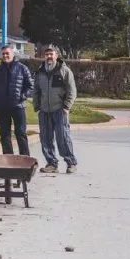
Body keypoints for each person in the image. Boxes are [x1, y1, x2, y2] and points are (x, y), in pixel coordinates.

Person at [33, 45, 78, 174]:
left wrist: (66, 107)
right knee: (45, 138)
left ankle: (71, 163)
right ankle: (51, 164)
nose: (49, 57)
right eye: (46, 54)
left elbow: (72, 91)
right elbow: (36, 90)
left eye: (51, 54)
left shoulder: (64, 71)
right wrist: (37, 106)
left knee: (63, 137)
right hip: (44, 111)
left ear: (56, 56)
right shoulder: (40, 72)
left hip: (60, 110)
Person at [0, 46, 33, 156]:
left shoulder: (22, 69)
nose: (5, 56)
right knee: (4, 134)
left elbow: (30, 86)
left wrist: (22, 96)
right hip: (2, 107)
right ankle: (8, 157)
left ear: (13, 54)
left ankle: (25, 158)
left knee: (20, 132)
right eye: (3, 54)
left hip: (18, 106)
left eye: (7, 53)